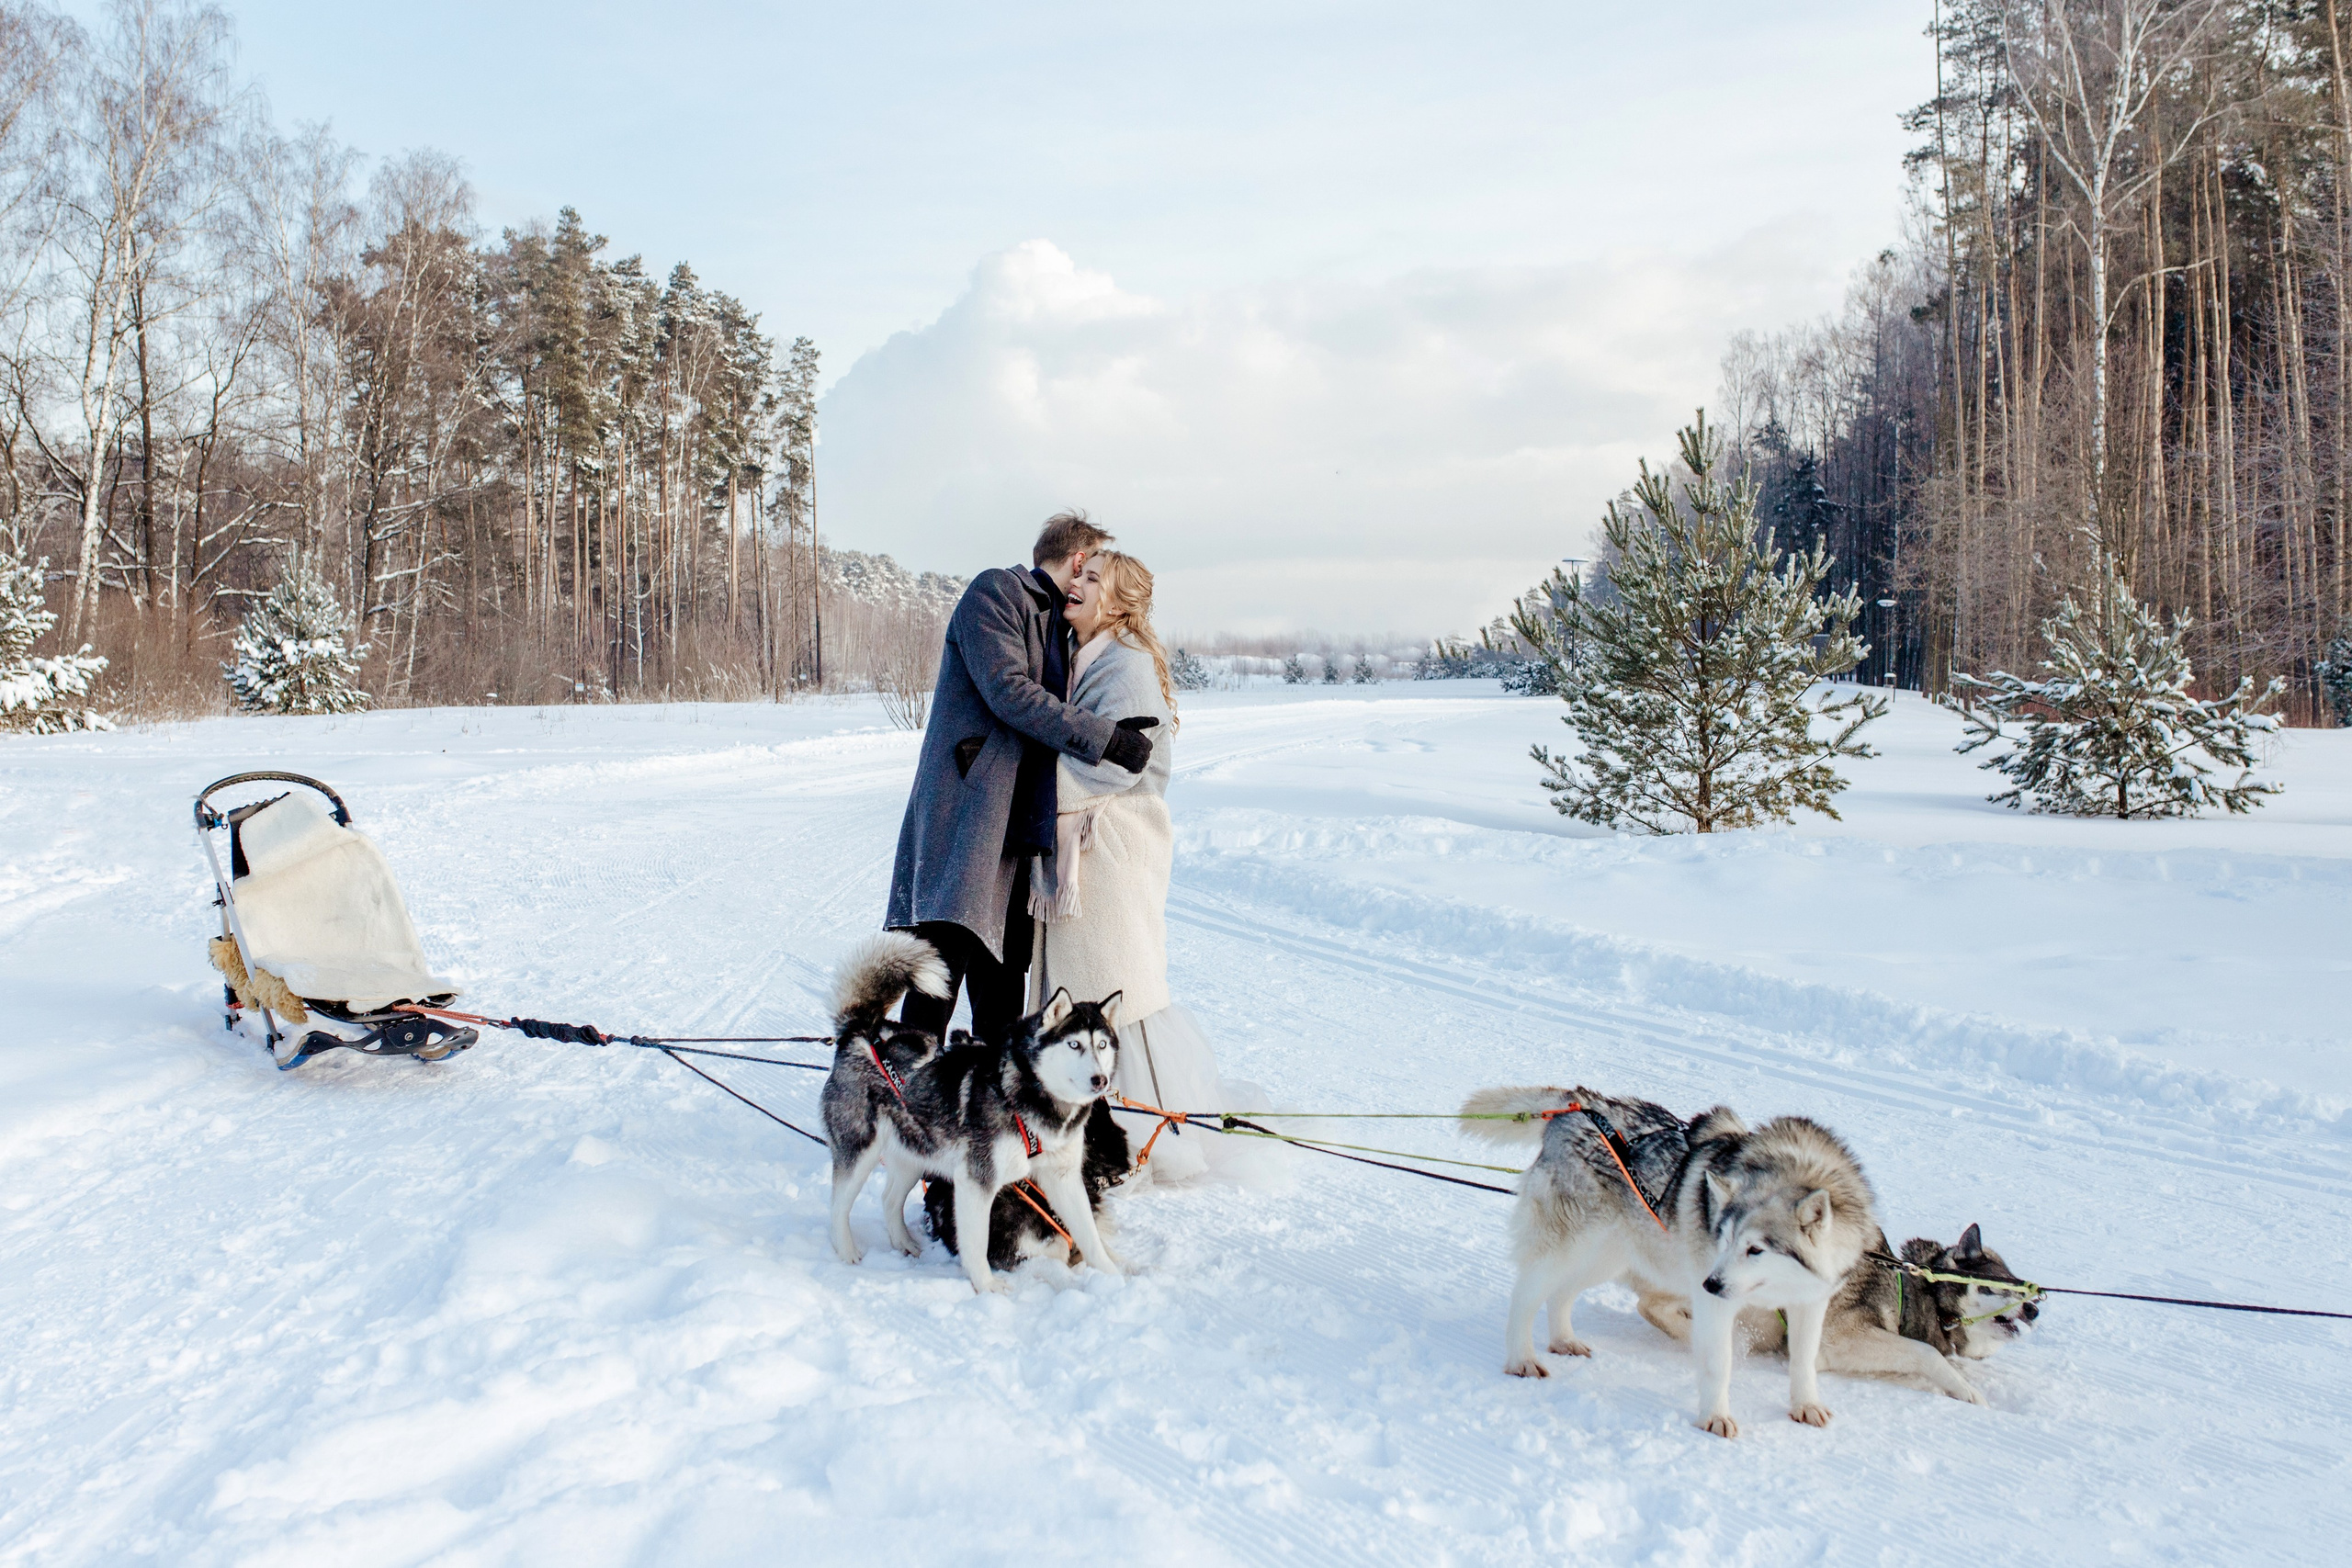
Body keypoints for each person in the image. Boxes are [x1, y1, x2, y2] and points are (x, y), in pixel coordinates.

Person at [1027, 549, 1282, 1185]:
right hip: (1089, 845)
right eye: (1076, 576)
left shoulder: (1126, 664)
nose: (1075, 586)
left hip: (1112, 851)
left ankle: (1142, 1131)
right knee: (1091, 986)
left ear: (1117, 604)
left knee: (1118, 989)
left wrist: (1033, 786)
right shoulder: (1089, 655)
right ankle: (1082, 1121)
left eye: (1091, 580)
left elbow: (1119, 762)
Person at [887, 512, 1159, 1045]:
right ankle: (903, 1096)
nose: (1086, 582)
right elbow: (1010, 691)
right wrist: (1105, 738)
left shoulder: (1061, 629)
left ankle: (999, 1108)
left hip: (1017, 829)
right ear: (1080, 560)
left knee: (1004, 979)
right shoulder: (996, 593)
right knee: (941, 962)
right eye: (1091, 568)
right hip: (969, 815)